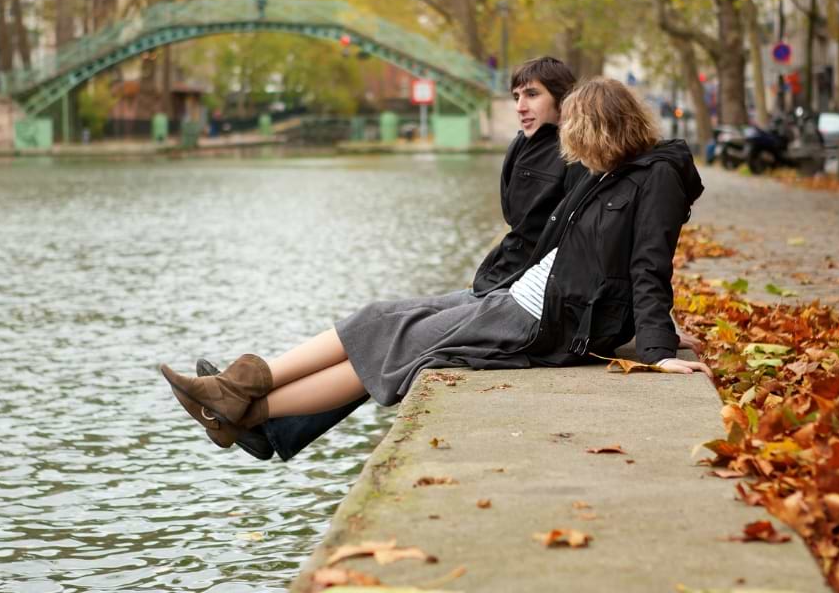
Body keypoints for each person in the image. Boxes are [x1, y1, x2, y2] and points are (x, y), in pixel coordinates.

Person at [160, 77, 710, 452]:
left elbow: (648, 264)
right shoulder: (613, 172)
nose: (571, 143)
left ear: (602, 128)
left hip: (542, 321)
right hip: (521, 299)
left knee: (395, 348)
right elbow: (552, 241)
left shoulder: (654, 176)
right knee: (381, 319)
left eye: (577, 131)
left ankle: (246, 413)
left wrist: (659, 349)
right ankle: (240, 391)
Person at [196, 57, 588, 461]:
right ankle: (249, 402)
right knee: (379, 323)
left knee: (392, 337)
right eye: (516, 96)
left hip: (516, 299)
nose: (521, 105)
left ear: (564, 98)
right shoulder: (524, 147)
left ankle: (250, 409)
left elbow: (546, 241)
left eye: (532, 95)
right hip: (502, 287)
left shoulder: (568, 157)